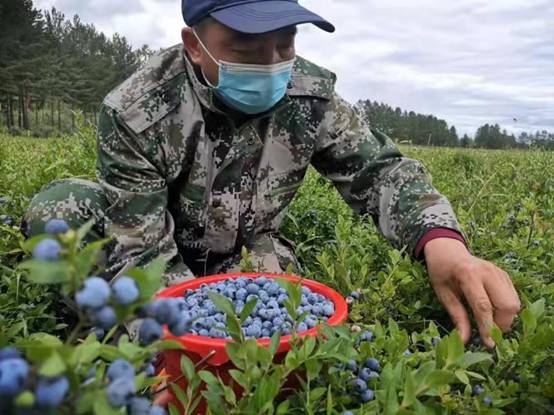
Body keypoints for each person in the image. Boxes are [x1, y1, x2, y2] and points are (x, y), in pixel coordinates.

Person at [22, 0, 520, 347]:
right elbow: (139, 249)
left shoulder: (309, 95)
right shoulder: (137, 110)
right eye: (246, 47)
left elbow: (381, 171)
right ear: (194, 44)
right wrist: (181, 343)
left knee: (277, 325)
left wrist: (442, 243)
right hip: (156, 240)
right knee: (58, 211)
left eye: (284, 44)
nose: (271, 64)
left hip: (241, 248)